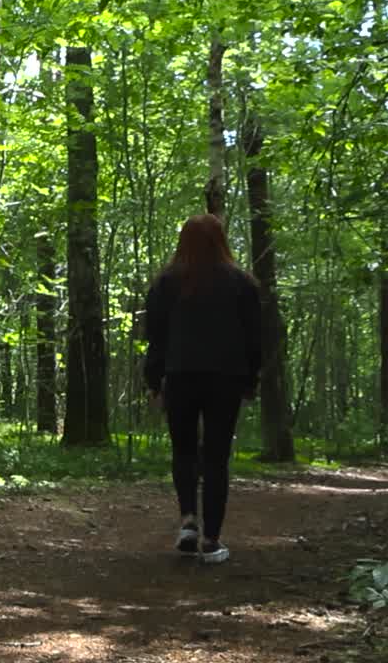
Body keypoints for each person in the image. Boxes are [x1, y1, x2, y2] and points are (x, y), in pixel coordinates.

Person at [144, 214, 261, 564]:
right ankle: (211, 539)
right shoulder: (242, 283)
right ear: (221, 241)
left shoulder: (166, 283)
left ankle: (188, 523)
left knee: (183, 451)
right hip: (225, 378)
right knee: (216, 456)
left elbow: (156, 339)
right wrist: (251, 379)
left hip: (180, 376)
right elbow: (255, 339)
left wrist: (154, 380)